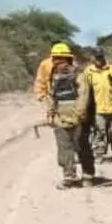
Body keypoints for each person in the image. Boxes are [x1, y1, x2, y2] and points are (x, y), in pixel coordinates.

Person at [45, 43, 96, 188]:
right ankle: (69, 176)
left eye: (58, 58)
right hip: (60, 119)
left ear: (66, 58)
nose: (55, 61)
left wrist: (79, 113)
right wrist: (50, 112)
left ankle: (88, 175)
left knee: (82, 147)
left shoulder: (79, 74)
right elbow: (49, 96)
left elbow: (84, 94)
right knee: (64, 149)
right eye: (54, 58)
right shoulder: (52, 76)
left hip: (78, 119)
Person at [85, 46, 112, 163]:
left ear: (103, 56)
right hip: (97, 109)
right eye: (96, 57)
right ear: (92, 58)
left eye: (100, 57)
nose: (99, 60)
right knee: (99, 132)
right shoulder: (88, 72)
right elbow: (84, 90)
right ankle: (99, 155)